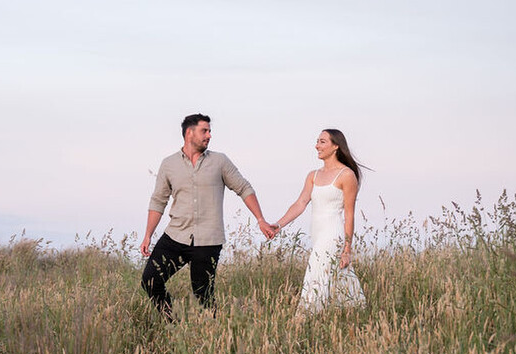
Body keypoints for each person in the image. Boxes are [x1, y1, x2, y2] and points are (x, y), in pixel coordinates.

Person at [140, 113, 274, 319]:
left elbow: (244, 188)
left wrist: (260, 219)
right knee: (150, 280)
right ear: (189, 133)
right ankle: (173, 321)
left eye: (210, 131)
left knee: (203, 295)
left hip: (208, 240)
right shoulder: (169, 164)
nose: (209, 135)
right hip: (176, 236)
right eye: (205, 130)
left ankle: (213, 333)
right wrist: (148, 234)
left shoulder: (219, 161)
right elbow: (158, 201)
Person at [269, 129, 367, 315]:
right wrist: (279, 225)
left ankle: (305, 318)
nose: (317, 146)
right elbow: (301, 203)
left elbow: (349, 215)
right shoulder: (313, 175)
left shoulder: (346, 175)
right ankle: (348, 316)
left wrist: (347, 249)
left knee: (316, 276)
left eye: (322, 142)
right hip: (317, 233)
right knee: (338, 278)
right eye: (317, 141)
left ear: (336, 146)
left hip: (333, 235)